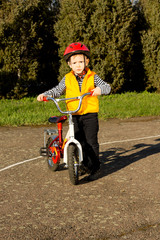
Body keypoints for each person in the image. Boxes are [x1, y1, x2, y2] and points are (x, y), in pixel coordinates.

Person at [37, 42, 111, 181]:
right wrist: (45, 95)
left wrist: (99, 90)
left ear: (86, 61)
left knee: (91, 141)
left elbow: (107, 87)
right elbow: (57, 91)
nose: (78, 65)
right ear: (69, 64)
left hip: (89, 114)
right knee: (78, 140)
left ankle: (95, 167)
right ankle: (82, 164)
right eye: (74, 62)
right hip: (74, 115)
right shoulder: (67, 79)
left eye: (81, 62)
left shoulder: (93, 76)